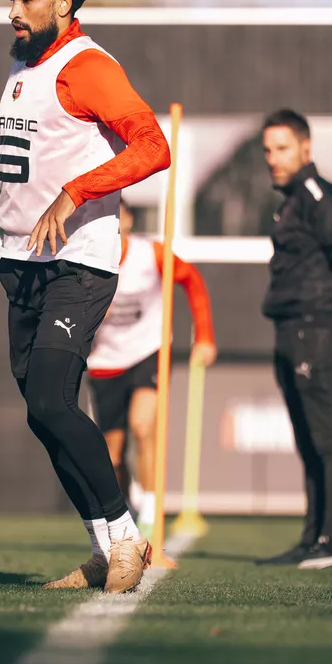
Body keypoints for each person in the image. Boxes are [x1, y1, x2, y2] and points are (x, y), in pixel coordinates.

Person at [0, 0, 171, 593]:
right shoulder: (24, 66)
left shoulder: (87, 65)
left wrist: (77, 192)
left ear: (63, 2)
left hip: (78, 263)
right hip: (22, 263)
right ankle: (102, 549)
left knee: (51, 398)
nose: (13, 10)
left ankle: (127, 539)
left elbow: (153, 146)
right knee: (44, 414)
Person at [257, 108, 332, 569]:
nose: (273, 158)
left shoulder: (320, 198)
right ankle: (312, 539)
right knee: (308, 441)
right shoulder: (290, 201)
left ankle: (331, 541)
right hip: (291, 329)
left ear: (306, 148)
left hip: (317, 330)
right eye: (268, 150)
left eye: (282, 148)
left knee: (327, 440)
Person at [87, 199, 217, 540]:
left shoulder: (151, 254)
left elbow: (192, 280)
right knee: (112, 455)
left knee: (143, 425)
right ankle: (126, 514)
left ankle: (150, 511)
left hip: (148, 349)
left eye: (118, 215)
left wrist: (204, 336)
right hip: (104, 360)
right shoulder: (85, 258)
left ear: (129, 219)